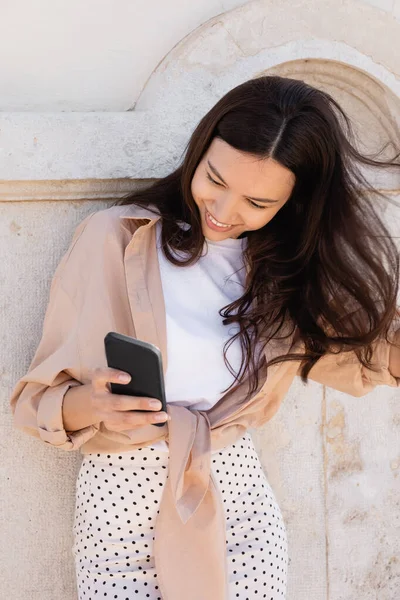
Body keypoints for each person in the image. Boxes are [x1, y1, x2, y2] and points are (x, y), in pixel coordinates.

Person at [10, 75, 400, 600]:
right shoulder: (116, 237)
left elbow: (371, 356)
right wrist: (93, 404)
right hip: (119, 511)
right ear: (200, 149)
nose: (223, 209)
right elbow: (34, 403)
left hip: (237, 510)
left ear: (293, 204)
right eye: (214, 178)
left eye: (257, 203)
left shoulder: (286, 275)